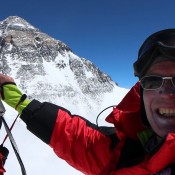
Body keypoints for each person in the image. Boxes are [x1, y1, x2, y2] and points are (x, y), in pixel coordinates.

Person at [0, 28, 175, 175]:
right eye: (152, 81)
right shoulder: (127, 152)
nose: (166, 92)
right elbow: (72, 135)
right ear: (141, 95)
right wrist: (15, 98)